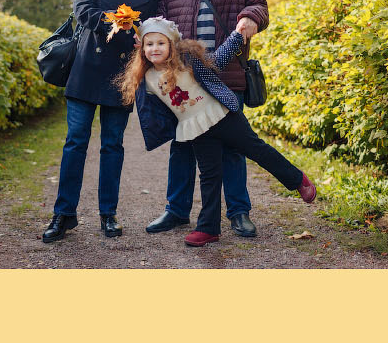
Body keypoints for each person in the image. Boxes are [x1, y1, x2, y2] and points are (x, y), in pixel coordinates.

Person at [123, 17, 317, 247]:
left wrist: (237, 36)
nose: (154, 48)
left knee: (256, 149)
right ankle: (208, 228)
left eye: (160, 43)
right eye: (149, 44)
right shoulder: (147, 79)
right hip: (195, 128)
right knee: (209, 176)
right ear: (142, 49)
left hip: (222, 115)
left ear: (172, 45)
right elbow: (152, 113)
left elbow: (219, 60)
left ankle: (297, 180)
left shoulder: (187, 60)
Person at [145, 0, 268, 238]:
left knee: (233, 147)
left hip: (228, 74)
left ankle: (239, 213)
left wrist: (250, 19)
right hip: (186, 80)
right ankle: (177, 210)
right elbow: (161, 27)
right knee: (183, 145)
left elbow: (259, 5)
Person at [41, 0, 162, 243]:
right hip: (85, 71)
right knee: (75, 142)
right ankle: (63, 214)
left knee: (112, 146)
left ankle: (108, 214)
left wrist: (143, 37)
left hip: (121, 76)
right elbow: (82, 10)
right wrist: (117, 21)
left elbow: (150, 30)